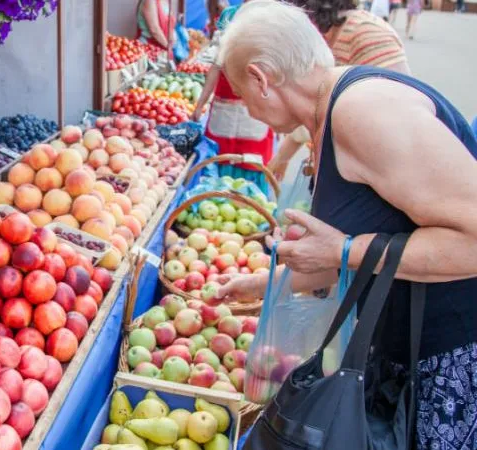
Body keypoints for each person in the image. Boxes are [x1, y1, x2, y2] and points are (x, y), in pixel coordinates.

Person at [214, 2, 477, 448]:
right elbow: (373, 239)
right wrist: (264, 283)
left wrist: (342, 251)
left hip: (447, 353)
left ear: (260, 79)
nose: (249, 110)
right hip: (402, 349)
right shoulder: (329, 113)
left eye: (241, 93)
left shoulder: (361, 111)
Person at [268, 0, 410, 180]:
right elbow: (319, 104)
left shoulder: (367, 32)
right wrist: (286, 153)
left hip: (374, 175)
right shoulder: (330, 37)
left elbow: (400, 111)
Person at [190, 2, 275, 194]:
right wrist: (200, 104)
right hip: (226, 105)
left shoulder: (274, 18)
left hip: (256, 107)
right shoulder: (230, 16)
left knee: (251, 162)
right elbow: (216, 65)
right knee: (220, 158)